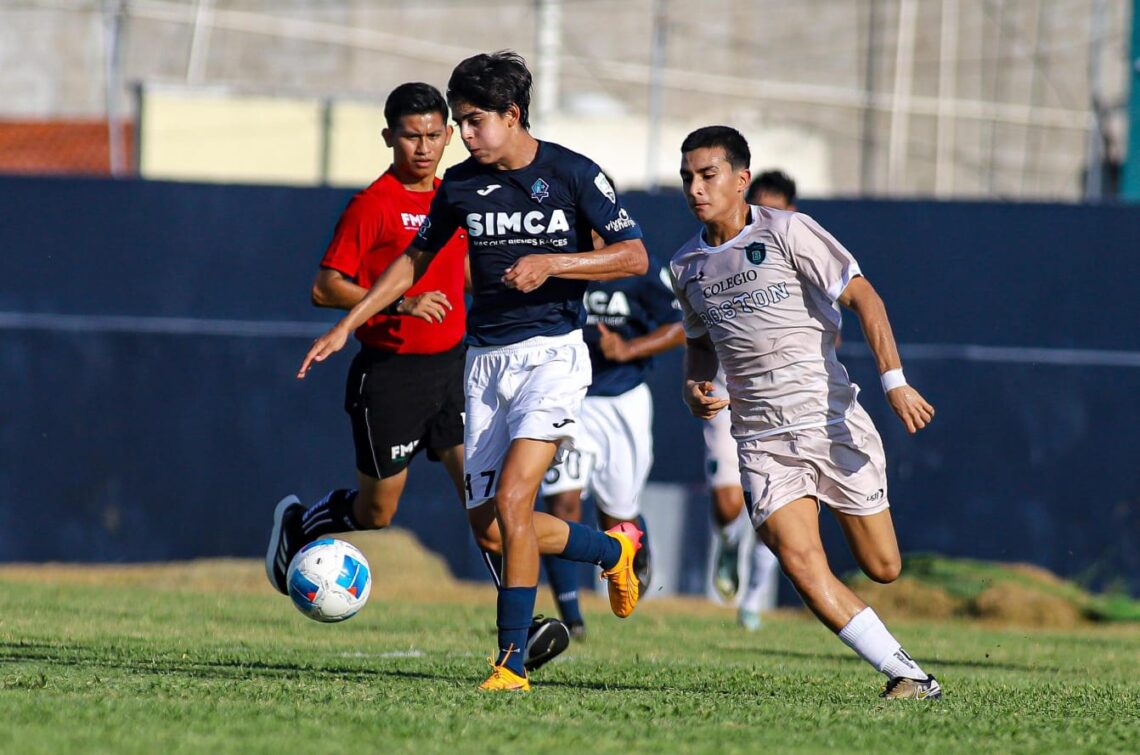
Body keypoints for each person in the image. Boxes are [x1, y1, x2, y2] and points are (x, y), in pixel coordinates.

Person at [297, 51, 648, 693]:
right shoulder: (460, 185)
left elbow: (634, 256)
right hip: (485, 365)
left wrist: (554, 264)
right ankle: (613, 550)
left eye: (472, 121)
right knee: (490, 528)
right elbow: (411, 261)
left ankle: (510, 662)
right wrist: (348, 324)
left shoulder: (572, 173)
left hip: (552, 356)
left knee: (514, 502)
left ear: (512, 115)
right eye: (459, 121)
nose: (462, 134)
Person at [264, 82, 569, 673]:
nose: (424, 147)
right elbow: (325, 286)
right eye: (411, 136)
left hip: (457, 371)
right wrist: (400, 304)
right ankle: (301, 523)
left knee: (487, 506)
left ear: (449, 135)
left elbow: (467, 271)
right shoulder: (373, 204)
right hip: (390, 377)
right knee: (378, 513)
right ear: (389, 137)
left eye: (434, 134)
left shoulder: (459, 193)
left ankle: (520, 628)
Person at [670, 125, 941, 700]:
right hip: (760, 439)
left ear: (741, 179)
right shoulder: (686, 264)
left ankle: (905, 665)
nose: (695, 188)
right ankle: (909, 675)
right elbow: (698, 343)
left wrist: (894, 382)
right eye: (687, 177)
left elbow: (865, 297)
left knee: (883, 566)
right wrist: (695, 386)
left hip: (828, 421)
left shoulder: (789, 231)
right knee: (798, 560)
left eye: (708, 175)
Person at [539, 243, 685, 638]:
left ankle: (637, 538)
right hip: (566, 397)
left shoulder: (640, 265)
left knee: (618, 517)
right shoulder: (557, 259)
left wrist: (628, 348)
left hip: (622, 401)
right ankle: (571, 618)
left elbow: (682, 325)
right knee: (561, 503)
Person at [707, 171, 797, 630]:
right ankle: (728, 541)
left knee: (774, 506)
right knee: (728, 503)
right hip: (729, 396)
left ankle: (754, 600)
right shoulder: (718, 254)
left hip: (785, 403)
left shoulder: (799, 256)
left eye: (775, 210)